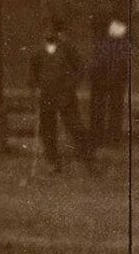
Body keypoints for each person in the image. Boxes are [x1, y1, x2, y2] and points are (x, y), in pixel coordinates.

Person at [28, 18, 95, 173]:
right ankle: (53, 162)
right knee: (47, 130)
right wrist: (34, 87)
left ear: (57, 32)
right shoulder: (38, 51)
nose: (48, 33)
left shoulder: (67, 49)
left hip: (65, 96)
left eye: (51, 29)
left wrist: (70, 86)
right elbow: (32, 72)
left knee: (75, 126)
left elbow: (79, 68)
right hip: (46, 96)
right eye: (45, 29)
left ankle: (88, 160)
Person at [87, 15, 130, 148]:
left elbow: (123, 63)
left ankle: (111, 139)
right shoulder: (102, 44)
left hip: (113, 79)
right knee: (100, 109)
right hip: (102, 79)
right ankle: (99, 138)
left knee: (113, 109)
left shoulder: (120, 45)